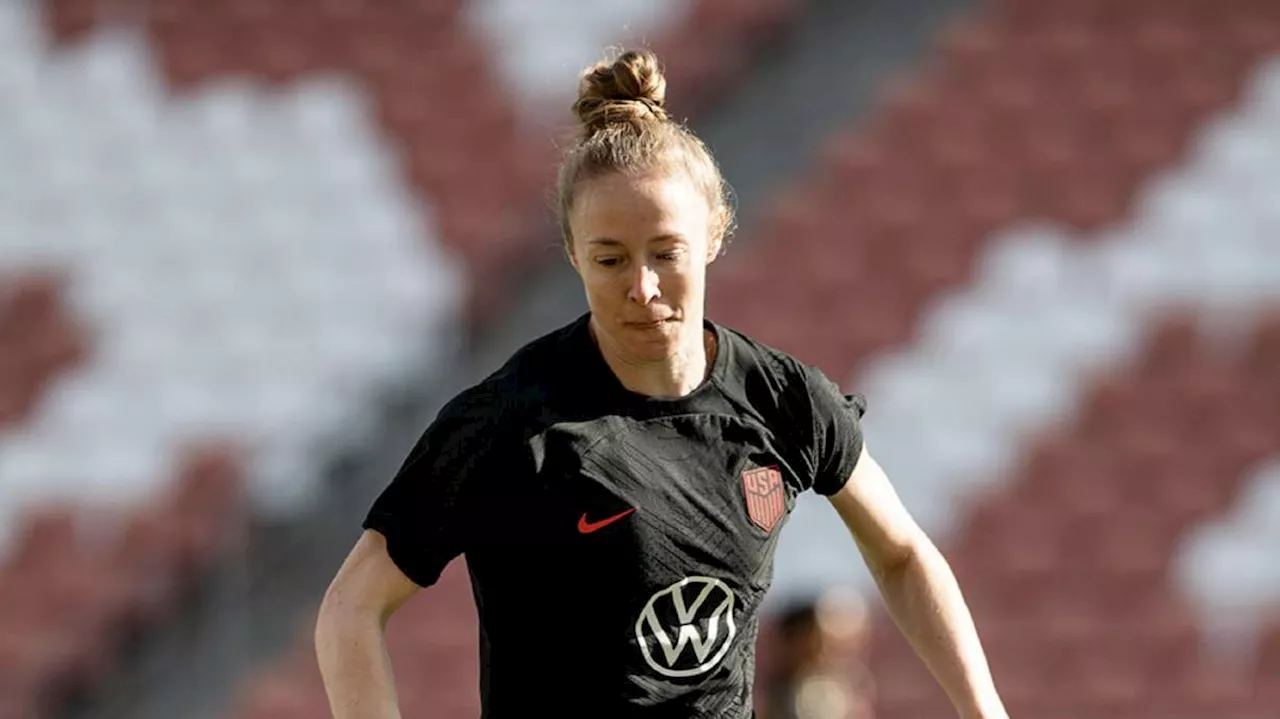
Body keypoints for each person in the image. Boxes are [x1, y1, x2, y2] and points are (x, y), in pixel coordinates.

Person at [314, 49, 1007, 719]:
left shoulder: (782, 400)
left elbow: (904, 553)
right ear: (573, 253)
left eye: (666, 252)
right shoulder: (509, 423)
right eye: (610, 258)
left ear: (712, 235)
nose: (642, 288)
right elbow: (352, 608)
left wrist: (985, 709)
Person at [758, 590, 873, 719]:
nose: (818, 646)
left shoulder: (842, 688)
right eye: (810, 638)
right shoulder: (776, 692)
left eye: (820, 637)